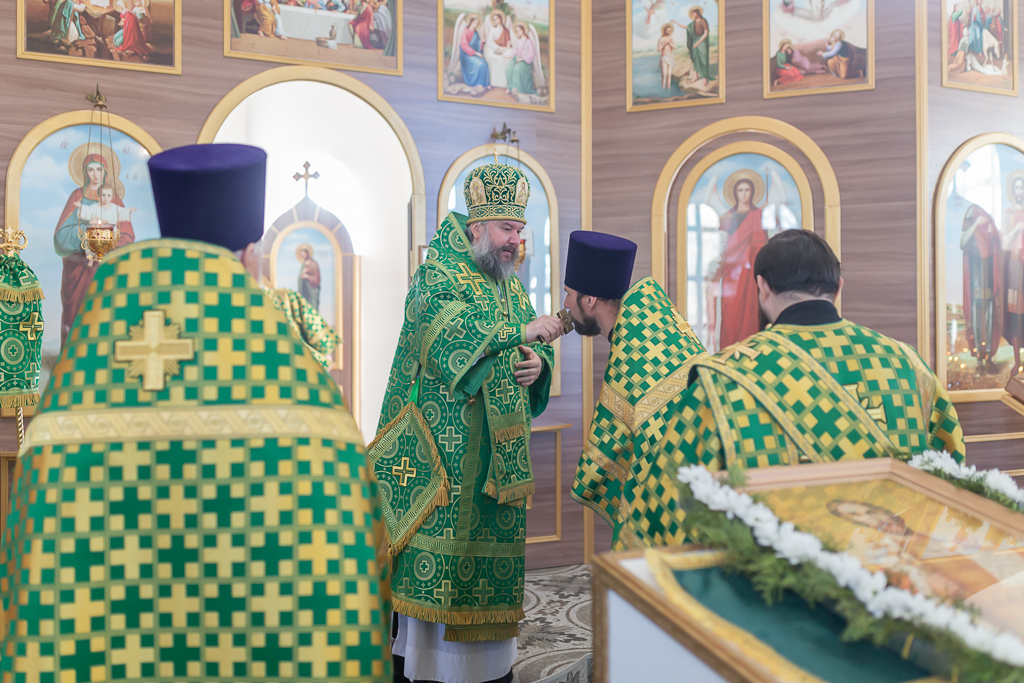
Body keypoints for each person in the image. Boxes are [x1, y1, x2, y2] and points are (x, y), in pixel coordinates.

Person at [0, 143, 391, 680]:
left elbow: (33, 546)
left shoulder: (83, 377)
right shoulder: (299, 388)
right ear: (250, 257)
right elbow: (355, 548)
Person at [618, 230, 965, 548]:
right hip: (900, 569)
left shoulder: (723, 378)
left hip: (779, 579)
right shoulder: (907, 363)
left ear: (762, 287)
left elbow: (672, 503)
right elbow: (951, 472)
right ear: (839, 287)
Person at [375, 161, 561, 683]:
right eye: (506, 229)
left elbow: (527, 342)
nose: (515, 241)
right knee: (440, 580)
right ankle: (432, 671)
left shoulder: (508, 283)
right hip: (446, 461)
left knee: (487, 581)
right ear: (477, 227)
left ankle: (490, 673)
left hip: (498, 466)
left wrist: (538, 364)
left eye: (520, 230)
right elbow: (445, 341)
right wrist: (521, 333)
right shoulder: (438, 273)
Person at [564, 231, 707, 551]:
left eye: (568, 294)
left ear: (589, 300)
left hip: (674, 490)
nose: (565, 305)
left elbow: (616, 439)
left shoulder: (633, 355)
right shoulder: (650, 331)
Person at [54, 153, 136, 346]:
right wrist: (88, 231)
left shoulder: (114, 200)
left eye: (99, 169)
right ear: (84, 172)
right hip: (79, 271)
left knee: (105, 317)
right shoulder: (77, 197)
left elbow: (127, 237)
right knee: (77, 317)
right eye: (90, 169)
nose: (95, 174)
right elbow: (60, 239)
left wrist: (106, 242)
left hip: (105, 271)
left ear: (106, 172)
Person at [710, 172, 767, 350]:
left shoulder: (759, 215)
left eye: (747, 190)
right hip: (731, 275)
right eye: (740, 190)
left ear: (752, 192)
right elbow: (721, 247)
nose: (743, 194)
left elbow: (764, 245)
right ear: (734, 193)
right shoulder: (727, 218)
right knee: (730, 314)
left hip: (752, 275)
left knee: (752, 313)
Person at [961, 202, 1003, 374]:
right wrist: (975, 226)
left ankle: (989, 358)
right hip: (975, 288)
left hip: (989, 287)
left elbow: (997, 249)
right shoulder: (970, 233)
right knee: (978, 322)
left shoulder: (990, 234)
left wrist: (993, 234)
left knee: (989, 322)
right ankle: (979, 359)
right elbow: (962, 242)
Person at [1004, 173, 1024, 373]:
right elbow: (1004, 243)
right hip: (1015, 265)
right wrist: (1017, 228)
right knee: (1016, 314)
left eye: (1022, 187)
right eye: (1017, 187)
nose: (1020, 191)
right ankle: (1018, 361)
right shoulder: (1009, 214)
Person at [458, 15, 490, 87]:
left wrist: (481, 42)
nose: (476, 24)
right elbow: (464, 45)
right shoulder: (465, 30)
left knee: (484, 62)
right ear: (471, 22)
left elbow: (478, 43)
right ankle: (478, 83)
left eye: (477, 23)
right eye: (475, 22)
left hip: (474, 53)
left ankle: (485, 83)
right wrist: (476, 53)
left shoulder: (476, 32)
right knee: (479, 64)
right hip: (466, 54)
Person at [505, 22, 537, 95]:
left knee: (517, 68)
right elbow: (514, 51)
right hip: (517, 58)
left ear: (523, 30)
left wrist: (522, 59)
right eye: (517, 31)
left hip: (525, 61)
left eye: (519, 30)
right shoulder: (518, 41)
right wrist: (509, 56)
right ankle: (510, 87)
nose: (518, 32)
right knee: (508, 68)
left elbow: (531, 54)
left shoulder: (529, 41)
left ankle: (516, 87)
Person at [483, 10, 513, 89]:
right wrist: (497, 47)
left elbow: (508, 41)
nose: (496, 20)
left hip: (504, 49)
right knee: (494, 59)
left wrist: (508, 44)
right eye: (494, 19)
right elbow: (489, 41)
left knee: (506, 58)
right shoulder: (493, 29)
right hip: (495, 48)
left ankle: (504, 83)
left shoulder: (505, 30)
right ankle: (494, 82)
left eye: (497, 18)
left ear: (501, 19)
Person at [297, 244, 322, 310]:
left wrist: (307, 276)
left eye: (304, 254)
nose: (303, 256)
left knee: (313, 304)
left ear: (307, 253)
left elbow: (316, 278)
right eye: (302, 255)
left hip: (312, 289)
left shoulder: (313, 263)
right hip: (305, 289)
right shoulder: (304, 264)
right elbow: (300, 276)